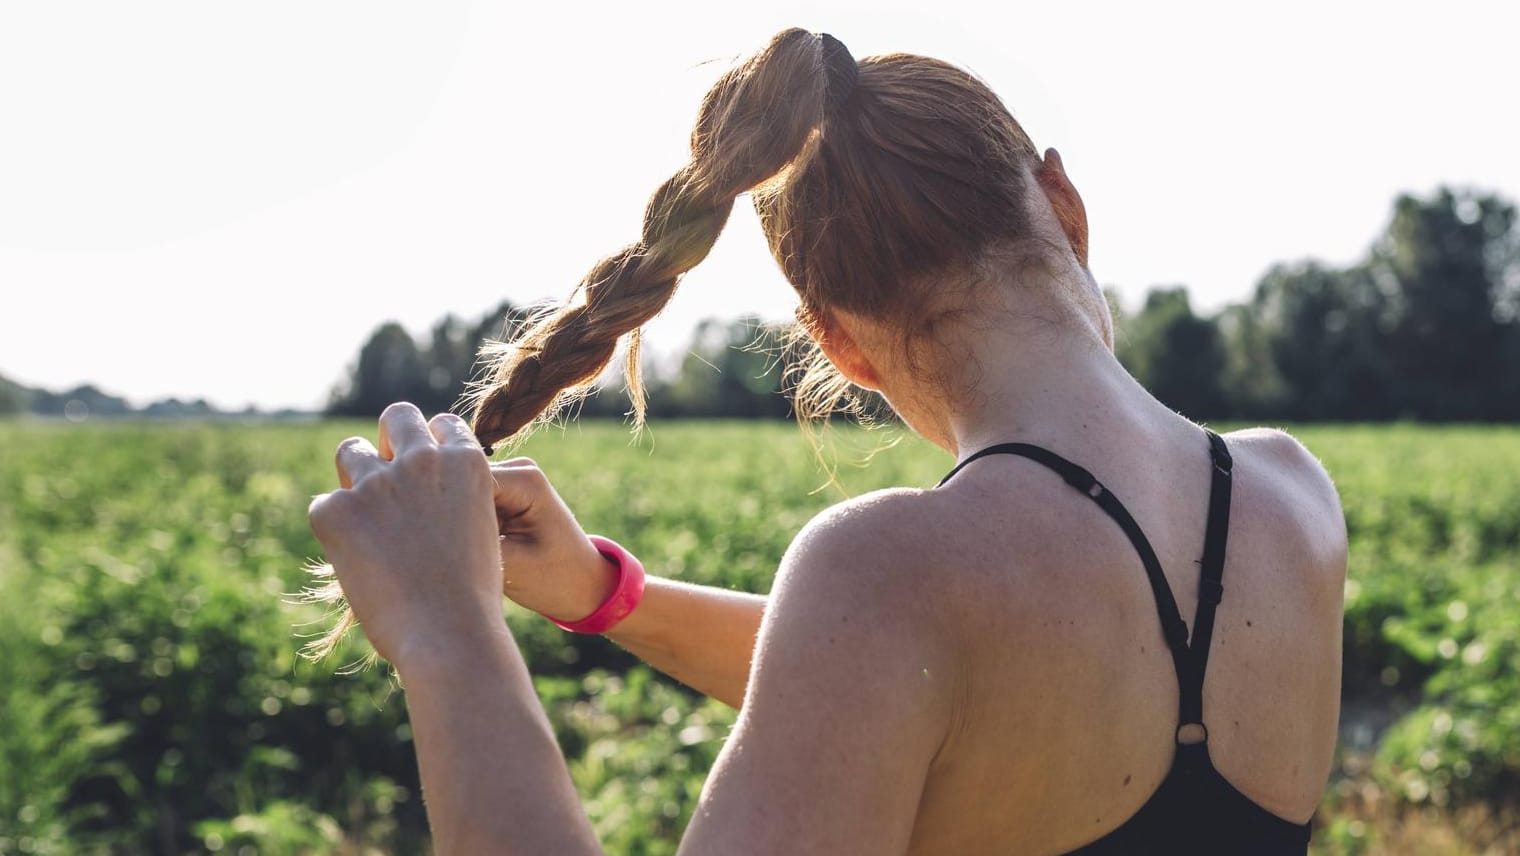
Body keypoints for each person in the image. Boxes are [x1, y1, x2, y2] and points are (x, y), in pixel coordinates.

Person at [306, 27, 1347, 855]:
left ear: (834, 342)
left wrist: (447, 632)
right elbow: (898, 677)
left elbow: (891, 649)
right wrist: (606, 596)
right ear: (1062, 206)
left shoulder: (887, 575)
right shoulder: (1291, 497)